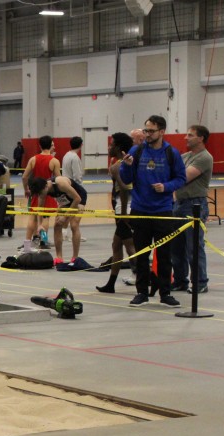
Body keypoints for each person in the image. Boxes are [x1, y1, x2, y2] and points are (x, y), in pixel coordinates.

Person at [119, 114, 187, 307]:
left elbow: (181, 178)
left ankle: (165, 293)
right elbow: (126, 178)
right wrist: (126, 166)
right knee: (141, 254)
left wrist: (166, 187)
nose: (147, 134)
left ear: (162, 131)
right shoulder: (137, 151)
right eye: (145, 130)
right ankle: (141, 293)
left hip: (163, 210)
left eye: (151, 131)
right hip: (140, 210)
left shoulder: (171, 153)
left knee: (164, 255)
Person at [170, 125, 213, 294]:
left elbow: (184, 177)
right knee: (176, 246)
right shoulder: (185, 156)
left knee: (194, 247)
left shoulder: (205, 157)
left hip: (195, 205)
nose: (185, 137)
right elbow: (171, 172)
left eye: (190, 135)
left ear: (201, 138)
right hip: (179, 203)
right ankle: (180, 280)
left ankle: (200, 282)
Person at [97, 132, 138, 293]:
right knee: (117, 245)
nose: (109, 147)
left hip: (124, 210)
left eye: (111, 144)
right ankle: (111, 284)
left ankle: (145, 278)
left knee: (130, 247)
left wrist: (123, 213)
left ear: (119, 147)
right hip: (124, 208)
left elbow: (125, 188)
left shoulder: (118, 166)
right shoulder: (128, 162)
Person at [27, 175, 87, 264]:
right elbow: (40, 208)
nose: (41, 195)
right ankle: (59, 257)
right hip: (66, 201)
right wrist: (40, 225)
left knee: (74, 225)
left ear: (46, 187)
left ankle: (75, 257)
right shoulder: (42, 191)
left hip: (78, 198)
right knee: (57, 225)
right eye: (39, 194)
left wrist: (65, 216)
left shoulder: (61, 183)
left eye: (41, 193)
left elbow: (77, 199)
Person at [22, 136, 61, 248]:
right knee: (45, 217)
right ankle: (43, 241)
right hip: (47, 192)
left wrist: (26, 189)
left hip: (35, 192)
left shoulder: (33, 159)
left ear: (40, 145)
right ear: (51, 146)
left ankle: (27, 243)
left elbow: (24, 177)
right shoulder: (54, 161)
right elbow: (58, 179)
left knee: (32, 217)